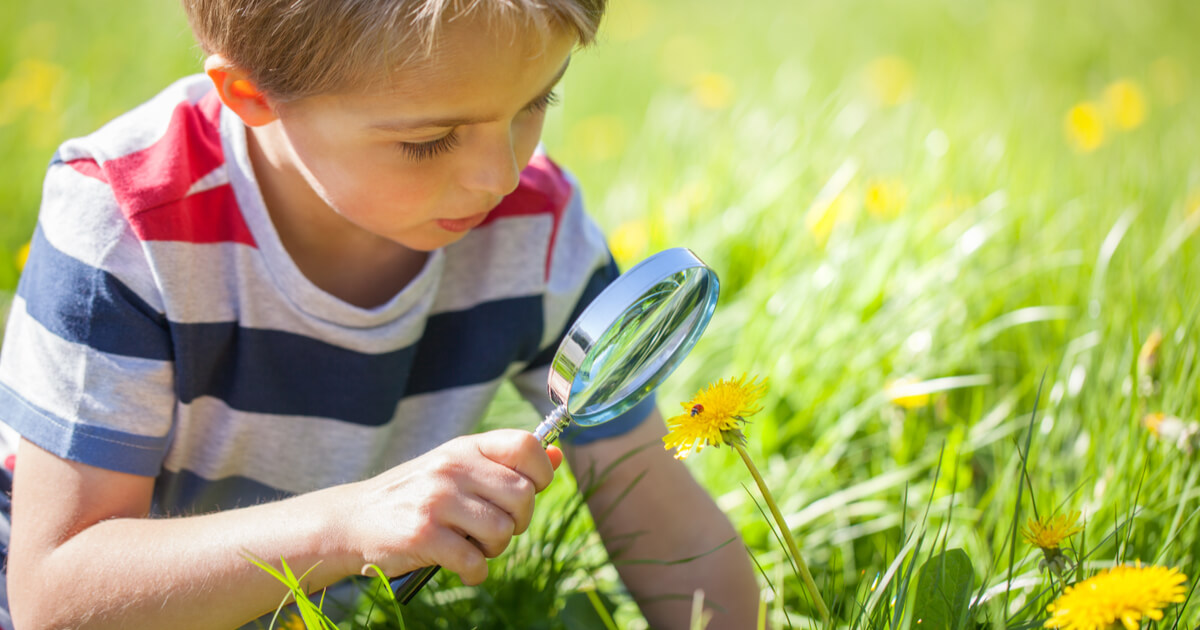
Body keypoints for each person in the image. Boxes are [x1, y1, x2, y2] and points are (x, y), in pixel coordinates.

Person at [0, 0, 762, 628]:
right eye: (428, 142)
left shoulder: (534, 227)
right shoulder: (132, 225)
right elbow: (54, 596)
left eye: (537, 102)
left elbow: (664, 520)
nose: (499, 175)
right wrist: (347, 524)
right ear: (254, 95)